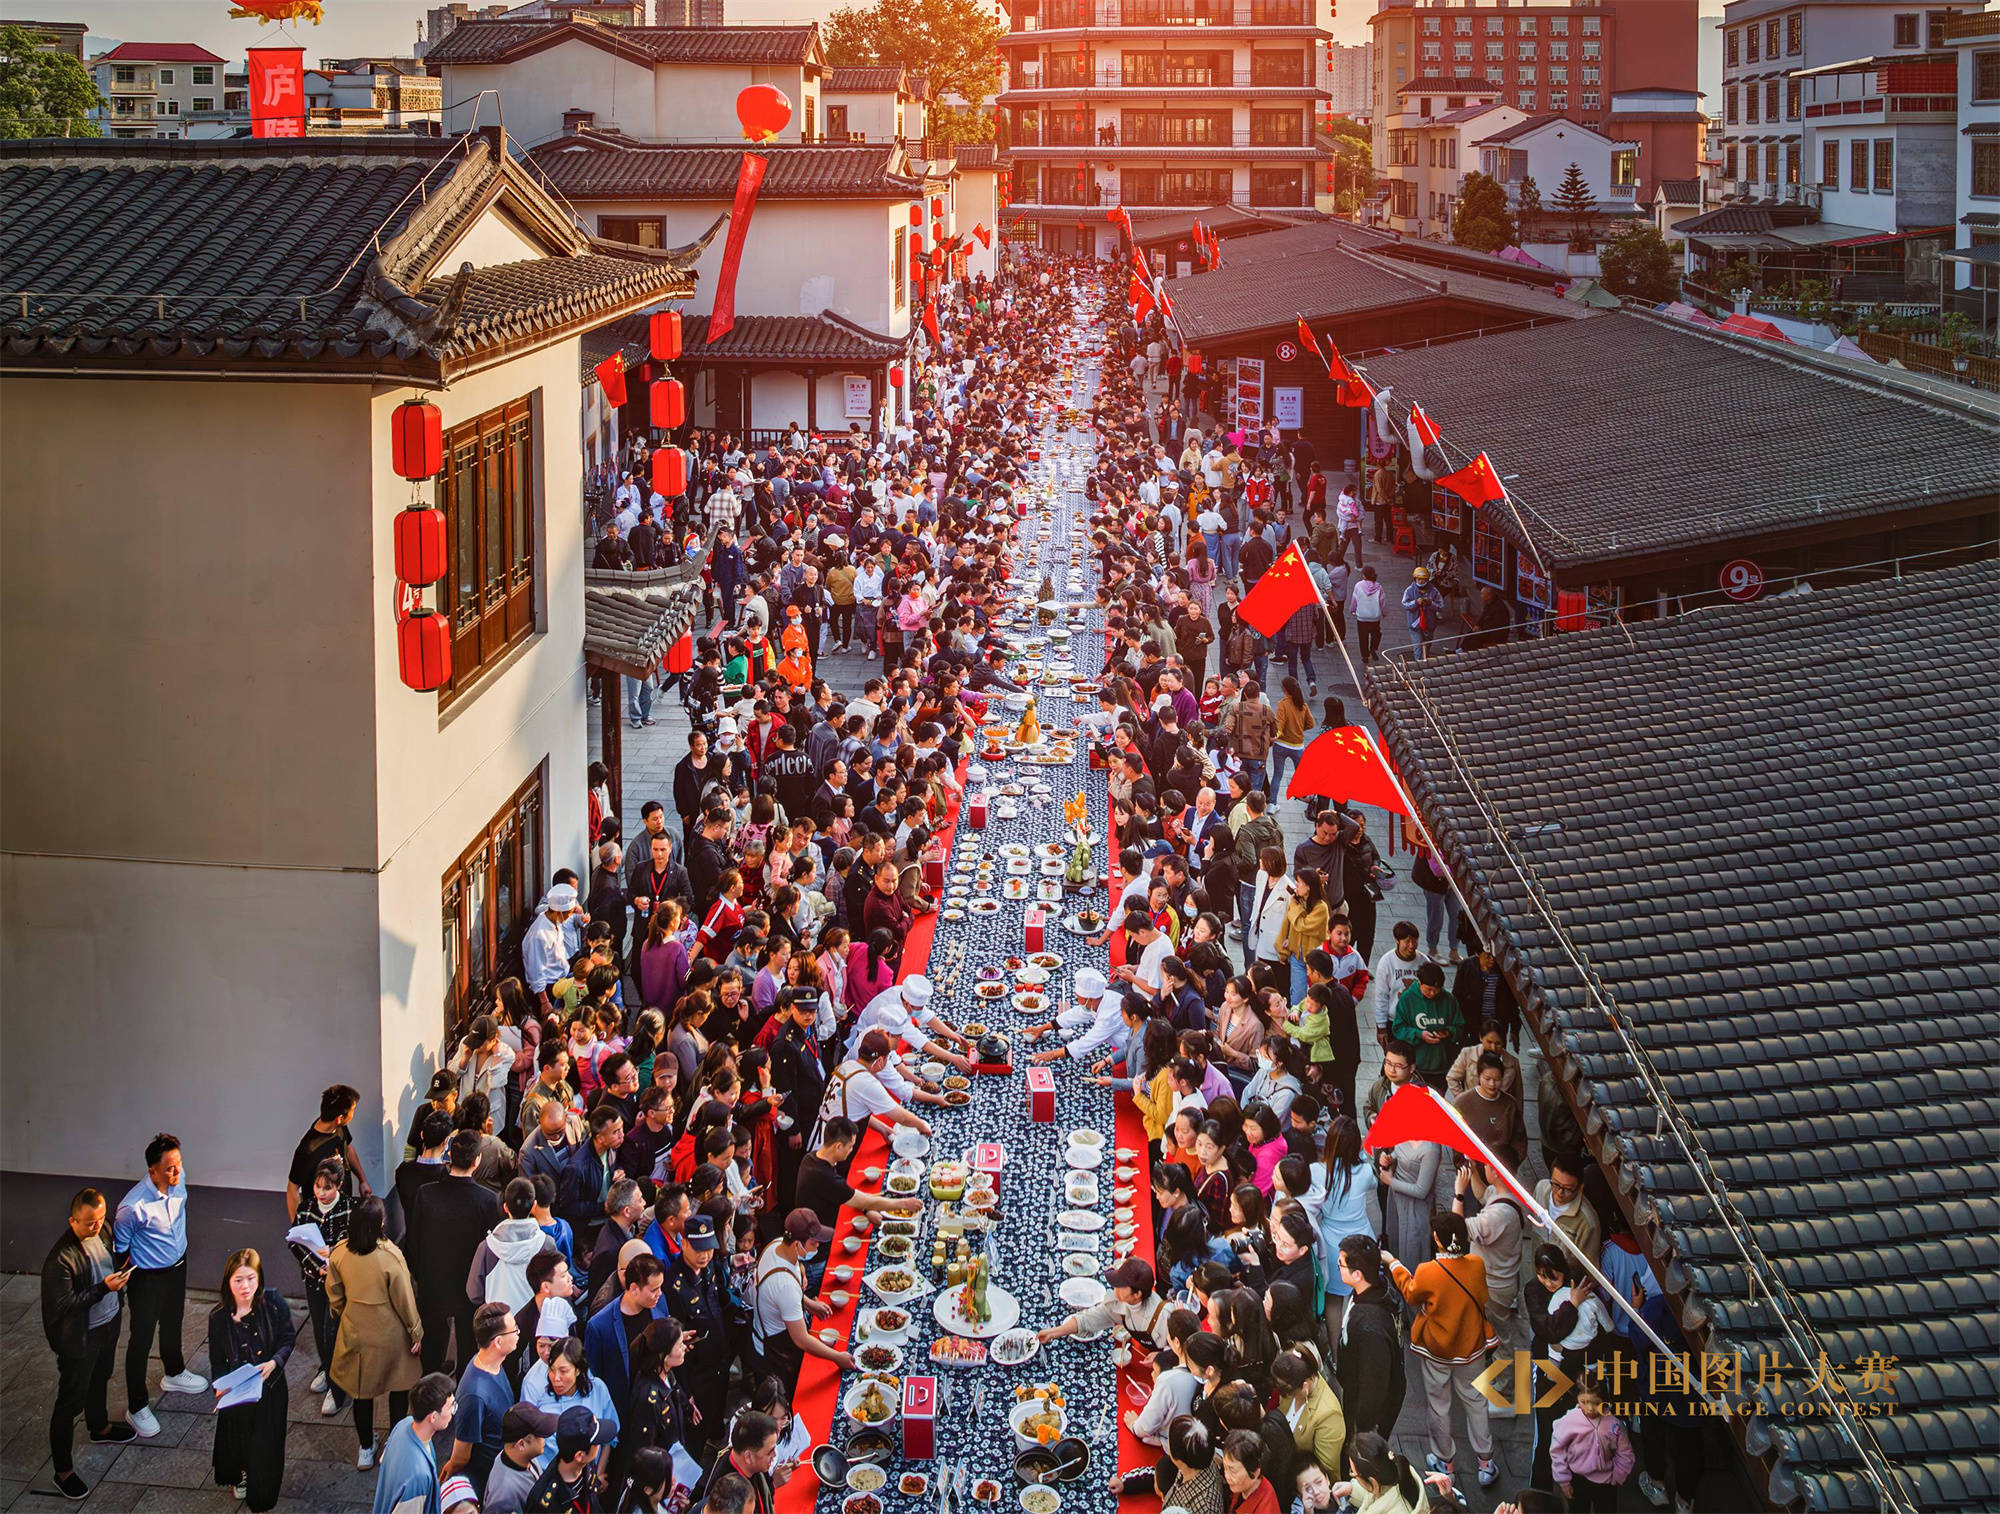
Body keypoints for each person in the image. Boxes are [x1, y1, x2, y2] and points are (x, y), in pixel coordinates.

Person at [1384, 1211, 1497, 1487]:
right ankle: (1486, 1462)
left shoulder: (1428, 1271)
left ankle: (1446, 1463)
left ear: (1437, 1239)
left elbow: (1410, 1293)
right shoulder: (1477, 1265)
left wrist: (1394, 1263)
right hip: (1471, 1347)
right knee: (1476, 1402)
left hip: (1437, 1349)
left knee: (1439, 1405)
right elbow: (1482, 1297)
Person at [41, 1187, 134, 1500]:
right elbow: (64, 1306)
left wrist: (122, 1271)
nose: (98, 1226)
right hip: (80, 1336)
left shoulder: (103, 1229)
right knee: (69, 1402)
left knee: (102, 1377)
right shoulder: (60, 1260)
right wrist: (104, 1288)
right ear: (72, 1220)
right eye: (90, 1222)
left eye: (101, 1219)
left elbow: (109, 1260)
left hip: (108, 1323)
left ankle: (99, 1427)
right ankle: (63, 1471)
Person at [114, 1132, 207, 1435]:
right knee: (140, 1339)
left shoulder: (179, 1183)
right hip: (147, 1278)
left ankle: (174, 1371)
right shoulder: (133, 1207)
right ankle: (137, 1406)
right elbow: (121, 1249)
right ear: (152, 1170)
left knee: (173, 1321)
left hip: (177, 1266)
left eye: (179, 1164)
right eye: (169, 1168)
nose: (177, 1172)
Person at [206, 1248, 294, 1509]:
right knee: (239, 1441)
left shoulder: (274, 1303)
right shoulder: (218, 1317)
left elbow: (287, 1338)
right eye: (238, 1280)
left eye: (251, 1279)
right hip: (237, 1394)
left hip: (271, 1389)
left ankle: (262, 1497)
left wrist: (275, 1361)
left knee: (267, 1446)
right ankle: (242, 1475)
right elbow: (217, 1360)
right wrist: (220, 1387)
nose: (245, 1287)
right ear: (228, 1282)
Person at [410, 1130, 503, 1374]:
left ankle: (430, 1395)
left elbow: (414, 1242)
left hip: (433, 1284)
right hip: (469, 1287)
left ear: (449, 1155)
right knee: (468, 1348)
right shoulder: (488, 1200)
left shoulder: (425, 1194)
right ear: (477, 1161)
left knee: (431, 1349)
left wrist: (420, 1277)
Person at [753, 1208, 852, 1388]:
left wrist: (807, 1304)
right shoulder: (786, 1287)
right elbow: (802, 1339)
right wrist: (837, 1357)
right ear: (797, 1244)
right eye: (814, 1242)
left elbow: (791, 1278)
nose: (818, 1246)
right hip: (773, 1354)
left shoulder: (776, 1245)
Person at [286, 1156, 354, 1415]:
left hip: (340, 1283)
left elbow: (354, 1245)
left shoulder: (349, 1207)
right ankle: (327, 1370)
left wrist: (334, 1257)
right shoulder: (306, 1208)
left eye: (328, 1187)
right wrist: (315, 1265)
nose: (322, 1193)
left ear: (339, 1185)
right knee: (318, 1328)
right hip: (314, 1281)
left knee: (333, 1331)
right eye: (318, 1186)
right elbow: (294, 1241)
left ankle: (337, 1390)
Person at [441, 1301, 520, 1488]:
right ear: (498, 1342)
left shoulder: (494, 1364)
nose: (518, 1332)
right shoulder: (474, 1395)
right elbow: (460, 1457)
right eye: (514, 1329)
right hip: (488, 1479)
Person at [371, 1371, 458, 1514]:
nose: (453, 1412)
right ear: (433, 1417)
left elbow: (384, 1459)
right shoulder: (419, 1477)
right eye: (451, 1407)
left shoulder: (403, 1425)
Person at [286, 1083, 371, 1219]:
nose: (353, 1114)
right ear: (339, 1118)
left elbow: (348, 1148)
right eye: (352, 1110)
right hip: (322, 1219)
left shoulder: (339, 1127)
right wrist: (298, 1231)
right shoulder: (307, 1150)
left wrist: (362, 1180)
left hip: (344, 1208)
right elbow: (292, 1189)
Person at [1550, 1380, 1636, 1512]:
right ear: (1576, 1397)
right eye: (1584, 1402)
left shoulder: (1615, 1424)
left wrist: (1618, 1476)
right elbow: (1557, 1452)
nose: (1590, 1408)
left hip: (1607, 1482)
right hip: (1577, 1479)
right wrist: (1564, 1481)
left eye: (1596, 1403)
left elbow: (1625, 1453)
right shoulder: (1568, 1421)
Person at [484, 1404, 559, 1514]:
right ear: (522, 1444)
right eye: (540, 1435)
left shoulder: (521, 1457)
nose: (545, 1439)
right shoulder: (504, 1496)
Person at [1533, 1151, 1602, 1265]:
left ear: (1580, 1188)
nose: (1560, 1193)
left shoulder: (1587, 1222)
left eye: (1568, 1189)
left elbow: (1589, 1267)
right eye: (1556, 1184)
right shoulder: (1541, 1189)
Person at [1331, 1431, 1425, 1514]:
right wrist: (1352, 1489)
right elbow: (1377, 1495)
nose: (1352, 1476)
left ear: (1373, 1482)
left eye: (1353, 1473)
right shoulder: (1399, 1477)